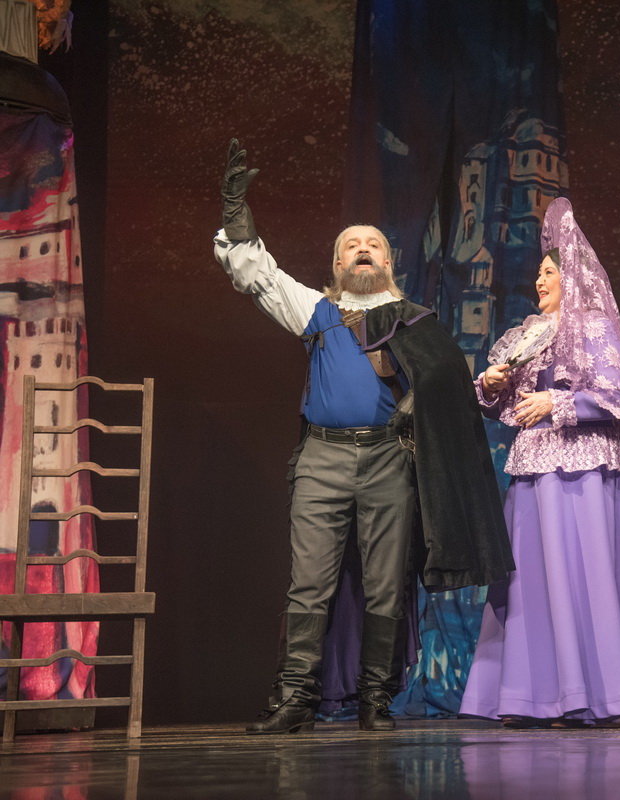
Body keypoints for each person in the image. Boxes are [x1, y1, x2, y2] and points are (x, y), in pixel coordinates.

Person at [213, 140, 511, 734]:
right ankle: (296, 698)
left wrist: (418, 403)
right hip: (322, 458)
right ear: (336, 264)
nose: (363, 249)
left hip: (387, 462)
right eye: (351, 244)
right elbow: (256, 274)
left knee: (385, 586)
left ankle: (377, 698)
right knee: (308, 584)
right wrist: (234, 211)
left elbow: (449, 390)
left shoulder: (416, 320)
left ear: (390, 263)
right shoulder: (316, 311)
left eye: (373, 243)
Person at [458, 197, 620, 726]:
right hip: (533, 470)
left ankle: (591, 694)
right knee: (530, 583)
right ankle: (528, 695)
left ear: (572, 277)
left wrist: (557, 403)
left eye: (549, 272)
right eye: (537, 272)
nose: (539, 280)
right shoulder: (528, 332)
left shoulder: (594, 328)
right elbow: (507, 404)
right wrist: (492, 386)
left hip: (583, 470)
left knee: (582, 575)